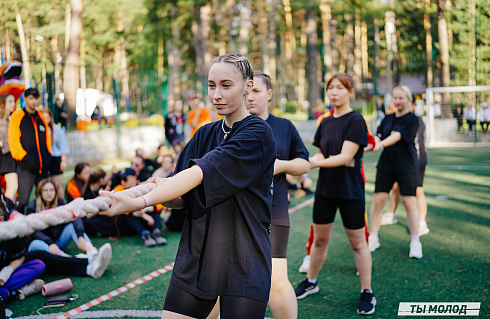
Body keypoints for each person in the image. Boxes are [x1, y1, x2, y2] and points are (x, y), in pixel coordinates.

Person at [100, 54, 276, 319]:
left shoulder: (257, 132)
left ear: (248, 87)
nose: (216, 94)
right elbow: (182, 198)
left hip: (244, 257)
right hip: (199, 256)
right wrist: (162, 191)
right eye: (211, 85)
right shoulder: (204, 134)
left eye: (226, 85)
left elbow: (201, 172)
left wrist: (138, 202)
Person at [293, 73, 375, 315]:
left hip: (350, 192)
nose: (334, 92)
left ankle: (367, 292)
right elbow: (321, 153)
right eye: (331, 88)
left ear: (350, 92)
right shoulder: (325, 122)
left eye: (340, 88)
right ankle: (311, 282)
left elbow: (345, 157)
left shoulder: (356, 120)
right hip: (325, 191)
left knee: (358, 244)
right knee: (319, 240)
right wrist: (306, 162)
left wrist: (314, 164)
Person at [245, 71, 309, 319]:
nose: (250, 97)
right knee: (224, 280)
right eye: (247, 91)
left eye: (257, 91)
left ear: (269, 94)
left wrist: (280, 166)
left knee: (275, 280)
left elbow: (304, 163)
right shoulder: (228, 126)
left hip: (274, 211)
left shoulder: (284, 127)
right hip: (235, 213)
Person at [368, 85, 423, 259]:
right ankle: (373, 237)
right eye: (395, 98)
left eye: (401, 98)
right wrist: (372, 142)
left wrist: (380, 144)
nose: (397, 101)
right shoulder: (387, 118)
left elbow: (397, 136)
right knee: (378, 201)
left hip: (407, 166)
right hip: (386, 165)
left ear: (409, 100)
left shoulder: (413, 119)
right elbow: (379, 135)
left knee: (409, 203)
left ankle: (415, 242)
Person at [381, 101, 429, 236]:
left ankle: (421, 223)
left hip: (416, 161)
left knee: (418, 190)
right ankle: (391, 214)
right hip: (400, 161)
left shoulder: (415, 121)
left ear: (411, 105)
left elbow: (415, 142)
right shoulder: (393, 120)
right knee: (395, 187)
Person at [26, 179, 102, 261]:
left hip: (58, 241)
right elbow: (34, 232)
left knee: (71, 226)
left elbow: (74, 216)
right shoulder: (32, 208)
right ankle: (68, 258)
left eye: (52, 190)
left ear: (55, 192)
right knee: (34, 244)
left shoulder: (60, 203)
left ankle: (92, 251)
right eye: (45, 190)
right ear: (40, 192)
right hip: (44, 243)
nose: (49, 193)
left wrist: (80, 235)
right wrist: (50, 243)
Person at [8, 88, 52, 213]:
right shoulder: (17, 116)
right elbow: (13, 141)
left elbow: (47, 139)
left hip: (42, 167)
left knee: (45, 199)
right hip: (26, 167)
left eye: (35, 98)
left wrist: (48, 155)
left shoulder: (41, 117)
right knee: (22, 200)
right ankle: (18, 228)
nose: (34, 101)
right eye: (31, 98)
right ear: (25, 99)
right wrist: (24, 157)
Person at [0, 198, 45, 303]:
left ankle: (7, 292)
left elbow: (20, 257)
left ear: (1, 220)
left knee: (38, 264)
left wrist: (6, 272)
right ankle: (15, 293)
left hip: (5, 276)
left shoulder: (10, 232)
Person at [112, 168, 167, 247]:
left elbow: (159, 205)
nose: (122, 182)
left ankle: (156, 232)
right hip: (130, 222)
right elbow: (125, 210)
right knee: (129, 215)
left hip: (143, 217)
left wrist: (146, 209)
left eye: (125, 179)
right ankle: (145, 234)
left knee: (154, 210)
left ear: (134, 178)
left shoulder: (142, 187)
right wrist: (144, 215)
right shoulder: (120, 188)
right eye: (121, 179)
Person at [43, 108, 69, 199]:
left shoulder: (56, 129)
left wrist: (63, 161)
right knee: (45, 186)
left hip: (55, 158)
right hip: (43, 160)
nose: (46, 119)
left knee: (57, 185)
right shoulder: (39, 130)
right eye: (43, 117)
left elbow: (63, 145)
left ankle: (61, 204)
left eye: (47, 117)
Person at [0, 94, 18, 209]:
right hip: (5, 155)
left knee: (12, 187)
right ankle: (6, 210)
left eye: (13, 101)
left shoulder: (11, 118)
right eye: (10, 101)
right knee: (13, 186)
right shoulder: (2, 120)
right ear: (3, 104)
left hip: (12, 155)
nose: (13, 104)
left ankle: (10, 210)